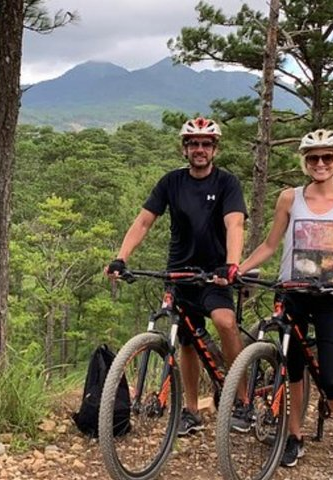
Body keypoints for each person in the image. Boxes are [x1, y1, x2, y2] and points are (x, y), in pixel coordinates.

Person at [105, 117, 249, 436]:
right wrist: (121, 257)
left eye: (206, 144)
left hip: (215, 275)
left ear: (215, 149)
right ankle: (191, 410)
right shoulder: (171, 182)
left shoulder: (227, 183)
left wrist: (232, 264)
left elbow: (234, 224)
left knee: (225, 323)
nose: (200, 149)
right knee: (186, 341)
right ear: (185, 149)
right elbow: (143, 222)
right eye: (193, 144)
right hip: (179, 272)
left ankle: (242, 400)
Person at [238, 128, 333, 480]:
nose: (320, 163)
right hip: (291, 292)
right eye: (313, 158)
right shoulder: (289, 198)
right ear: (305, 163)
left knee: (331, 379)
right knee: (292, 369)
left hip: (330, 299)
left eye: (327, 157)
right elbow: (269, 245)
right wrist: (238, 268)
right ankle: (294, 435)